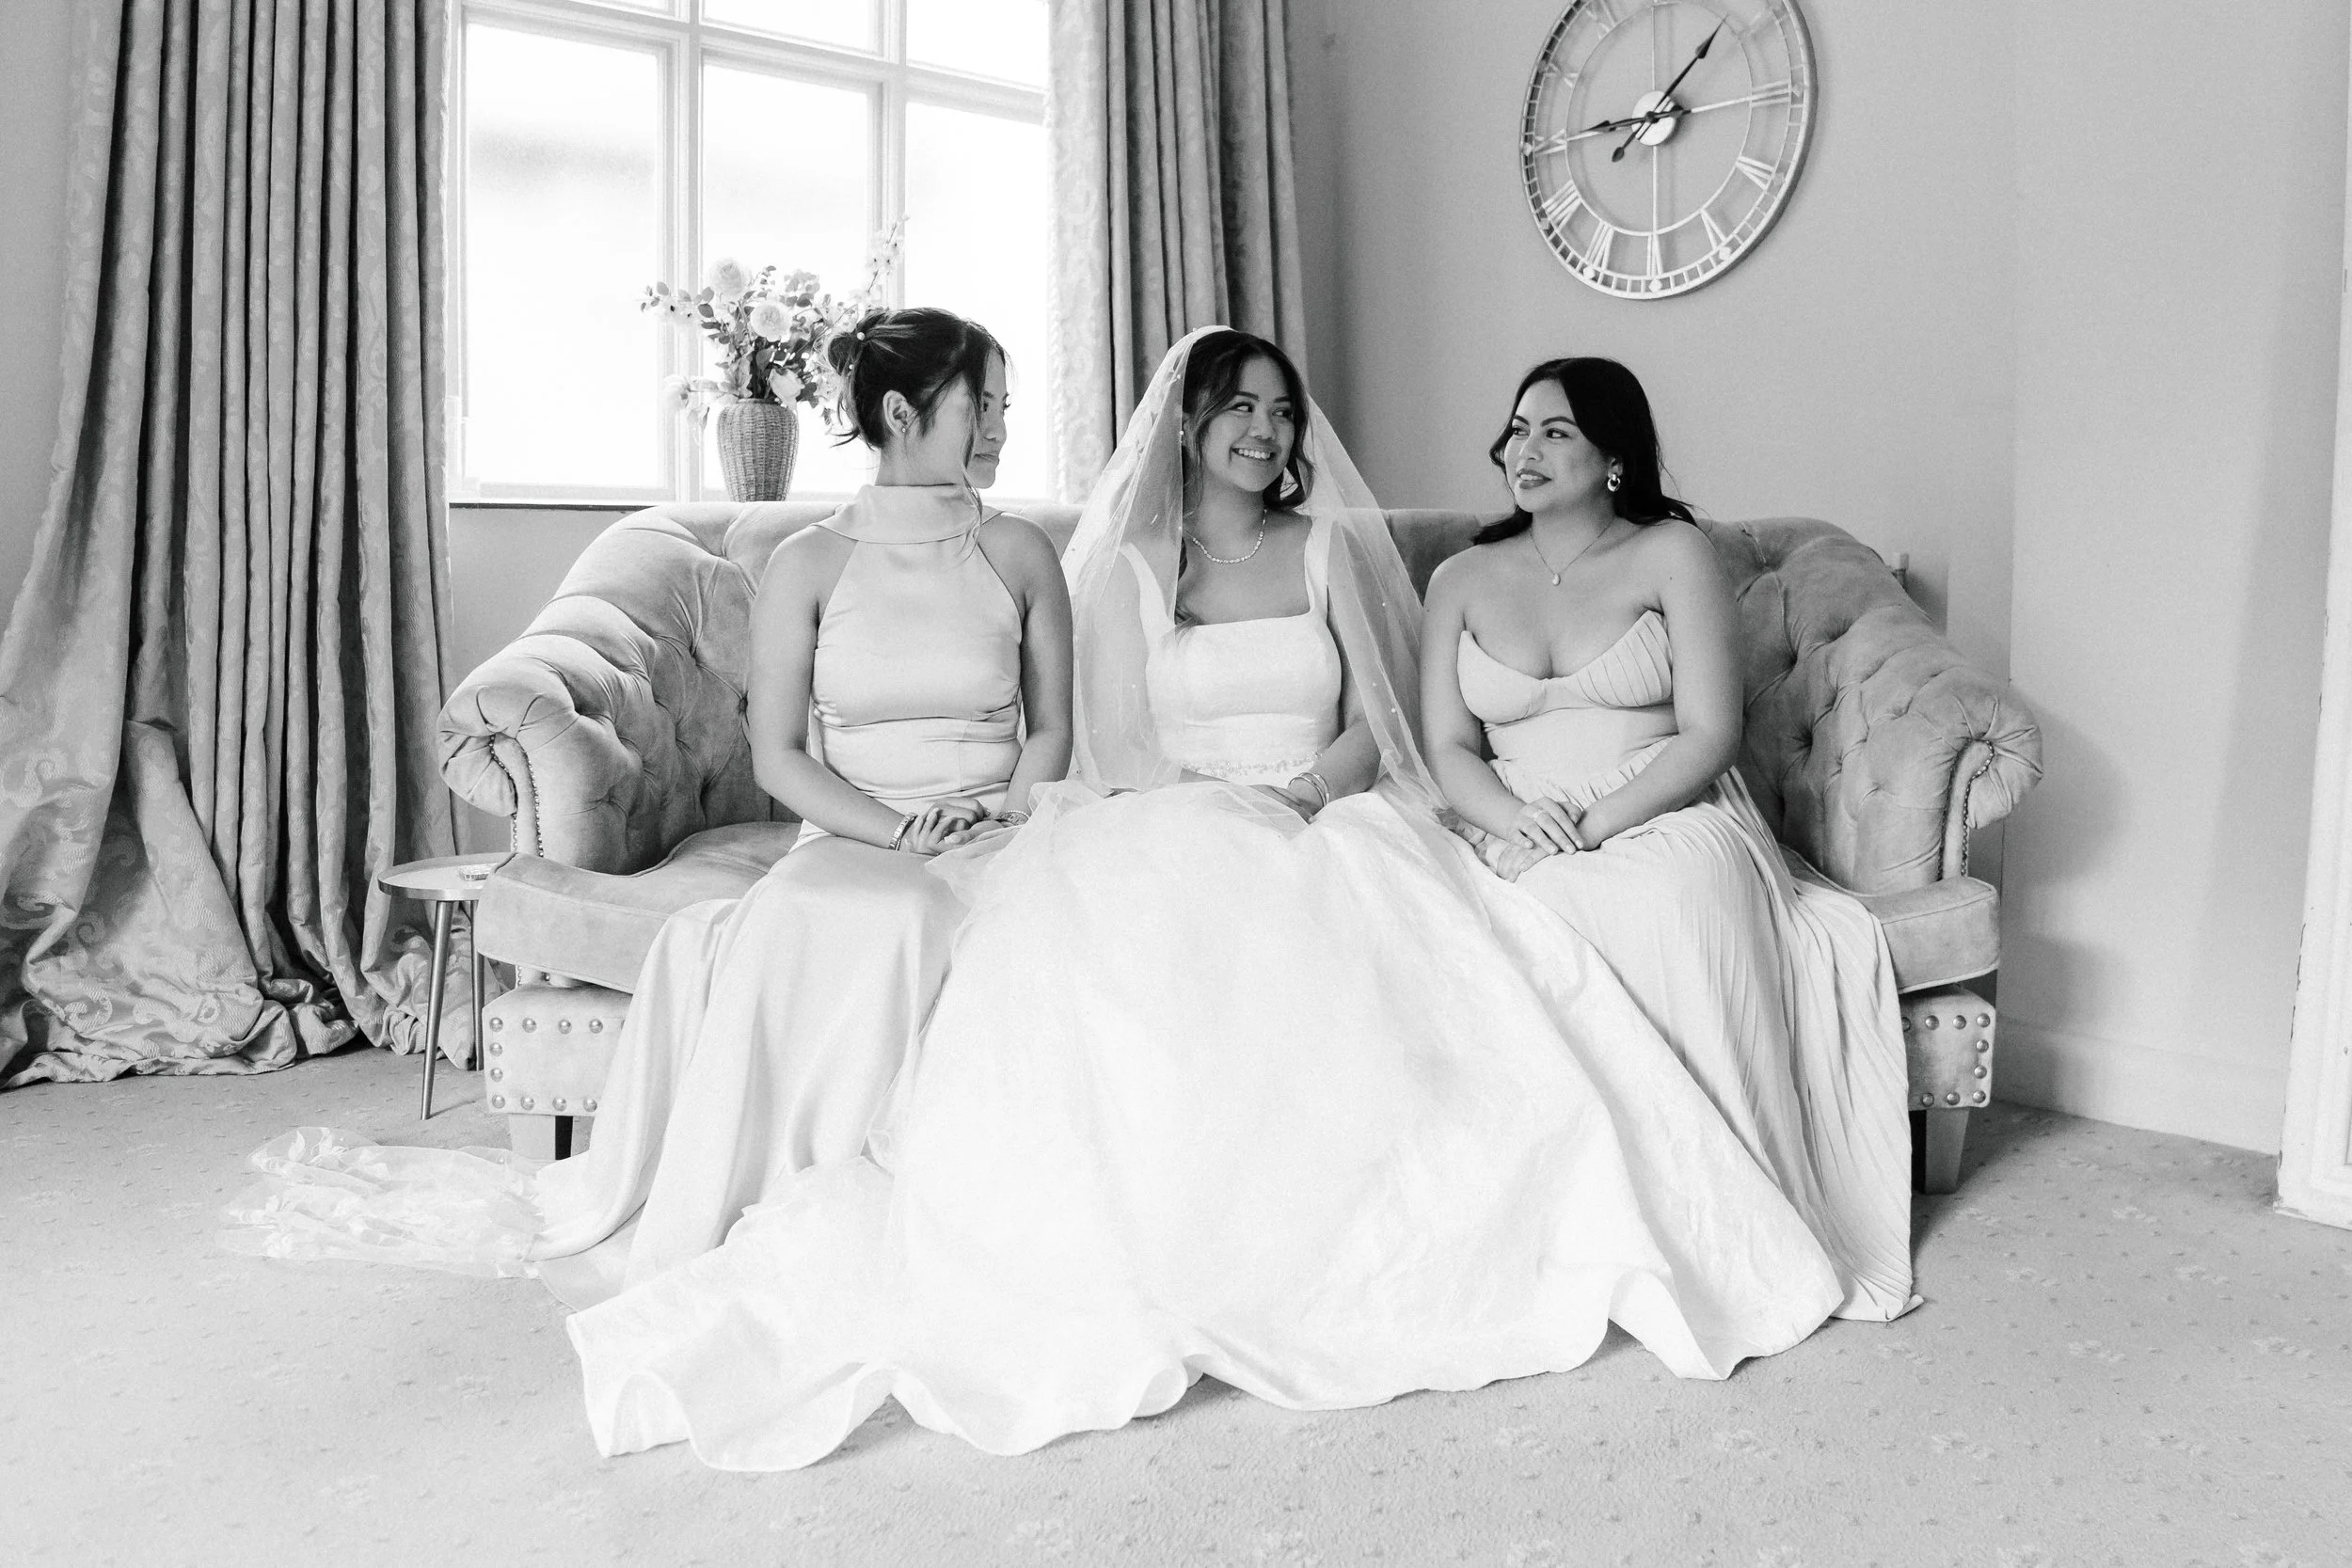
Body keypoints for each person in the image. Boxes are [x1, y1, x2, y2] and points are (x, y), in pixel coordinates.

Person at [555, 328, 1858, 1471]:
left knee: (1370, 958)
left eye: (1284, 411)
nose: (1268, 430)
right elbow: (1105, 744)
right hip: (1179, 810)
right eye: (1242, 405)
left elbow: (1386, 724)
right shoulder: (1117, 565)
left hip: (1325, 811)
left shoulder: (1331, 551)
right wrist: (1193, 798)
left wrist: (1303, 788)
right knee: (1132, 953)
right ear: (1189, 422)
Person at [221, 308, 1073, 1307]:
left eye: (1007, 407)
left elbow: (1053, 728)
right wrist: (895, 832)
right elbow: (781, 753)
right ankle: (847, 1204)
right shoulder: (808, 561)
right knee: (885, 913)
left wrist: (1007, 818)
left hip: (1001, 823)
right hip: (854, 829)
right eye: (985, 404)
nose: (1001, 428)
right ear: (901, 410)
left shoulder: (1017, 550)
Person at [1419, 356, 1913, 1322]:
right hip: (1508, 807)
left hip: (1660, 801)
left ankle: (1697, 1217)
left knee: (1662, 901)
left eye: (1555, 430)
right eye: (1517, 429)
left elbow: (1710, 732)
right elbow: (1445, 743)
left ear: (1612, 454)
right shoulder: (1461, 577)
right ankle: (1545, 1227)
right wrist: (1521, 821)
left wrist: (1593, 824)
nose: (1526, 448)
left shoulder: (1671, 554)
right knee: (1469, 913)